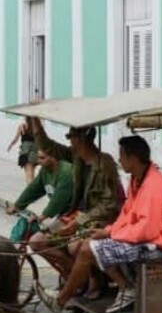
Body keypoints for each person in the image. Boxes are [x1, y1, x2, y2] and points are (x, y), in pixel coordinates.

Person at [41, 135, 162, 313]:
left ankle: (60, 301)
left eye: (122, 156)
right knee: (90, 244)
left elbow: (146, 230)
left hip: (159, 246)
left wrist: (111, 234)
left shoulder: (152, 186)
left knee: (87, 249)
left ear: (133, 159)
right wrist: (108, 231)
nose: (119, 160)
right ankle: (126, 288)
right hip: (145, 239)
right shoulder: (137, 180)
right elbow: (127, 214)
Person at [27, 118, 122, 280]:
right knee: (36, 242)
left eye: (71, 136)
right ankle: (77, 278)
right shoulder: (76, 157)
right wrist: (35, 122)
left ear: (81, 138)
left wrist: (79, 222)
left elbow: (108, 205)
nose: (69, 140)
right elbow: (48, 147)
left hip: (96, 219)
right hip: (75, 215)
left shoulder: (105, 163)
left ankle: (92, 281)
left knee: (73, 246)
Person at [5, 150, 74, 239]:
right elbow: (34, 189)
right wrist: (17, 206)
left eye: (42, 158)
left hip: (75, 212)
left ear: (53, 157)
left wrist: (41, 218)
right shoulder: (45, 170)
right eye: (38, 158)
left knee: (40, 240)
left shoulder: (66, 171)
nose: (38, 161)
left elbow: (59, 199)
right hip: (63, 212)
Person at [7, 117, 38, 184]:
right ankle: (33, 188)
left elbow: (15, 139)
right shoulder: (36, 127)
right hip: (35, 152)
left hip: (25, 152)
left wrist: (10, 145)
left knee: (28, 175)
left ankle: (30, 189)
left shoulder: (22, 126)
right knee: (32, 174)